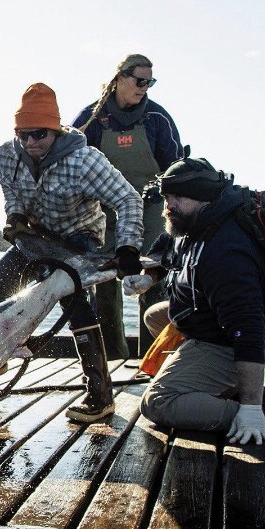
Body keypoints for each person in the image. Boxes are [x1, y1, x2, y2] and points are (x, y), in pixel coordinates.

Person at [0, 82, 144, 422]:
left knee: (73, 301)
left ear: (54, 130)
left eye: (38, 134)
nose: (29, 143)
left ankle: (99, 396)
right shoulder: (6, 155)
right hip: (36, 234)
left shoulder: (85, 161)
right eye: (22, 134)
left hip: (79, 235)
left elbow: (128, 199)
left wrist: (128, 246)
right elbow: (11, 193)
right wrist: (16, 215)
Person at [132, 158, 265, 444]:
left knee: (158, 402)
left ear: (203, 197)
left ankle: (261, 412)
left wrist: (250, 410)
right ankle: (222, 385)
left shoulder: (225, 252)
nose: (169, 205)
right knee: (155, 316)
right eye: (166, 197)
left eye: (178, 197)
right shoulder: (194, 219)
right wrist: (148, 278)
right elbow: (167, 249)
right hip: (209, 319)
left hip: (244, 339)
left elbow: (248, 331)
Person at [74, 54, 184, 360]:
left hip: (151, 208)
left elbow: (175, 166)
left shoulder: (157, 118)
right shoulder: (91, 118)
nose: (144, 87)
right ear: (120, 78)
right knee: (105, 285)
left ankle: (154, 358)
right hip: (103, 210)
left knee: (150, 280)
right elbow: (72, 164)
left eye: (150, 81)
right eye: (139, 80)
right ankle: (113, 357)